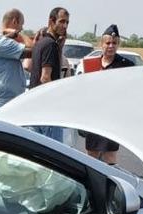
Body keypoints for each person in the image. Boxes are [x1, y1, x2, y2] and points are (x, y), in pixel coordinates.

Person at [82, 24, 134, 164]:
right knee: (91, 154)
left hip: (111, 116)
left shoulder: (125, 65)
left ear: (118, 45)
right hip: (93, 116)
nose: (111, 46)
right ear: (101, 44)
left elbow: (129, 91)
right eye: (108, 43)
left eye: (114, 43)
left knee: (109, 155)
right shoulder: (91, 64)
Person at [26, 6, 70, 141]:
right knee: (55, 153)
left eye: (67, 22)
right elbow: (45, 78)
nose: (65, 26)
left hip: (35, 107)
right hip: (46, 109)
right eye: (61, 21)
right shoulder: (50, 44)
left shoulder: (41, 43)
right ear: (51, 21)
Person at [0, 9, 35, 115]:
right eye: (21, 25)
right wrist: (20, 35)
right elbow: (33, 51)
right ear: (14, 21)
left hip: (7, 103)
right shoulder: (0, 42)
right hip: (1, 106)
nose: (22, 28)